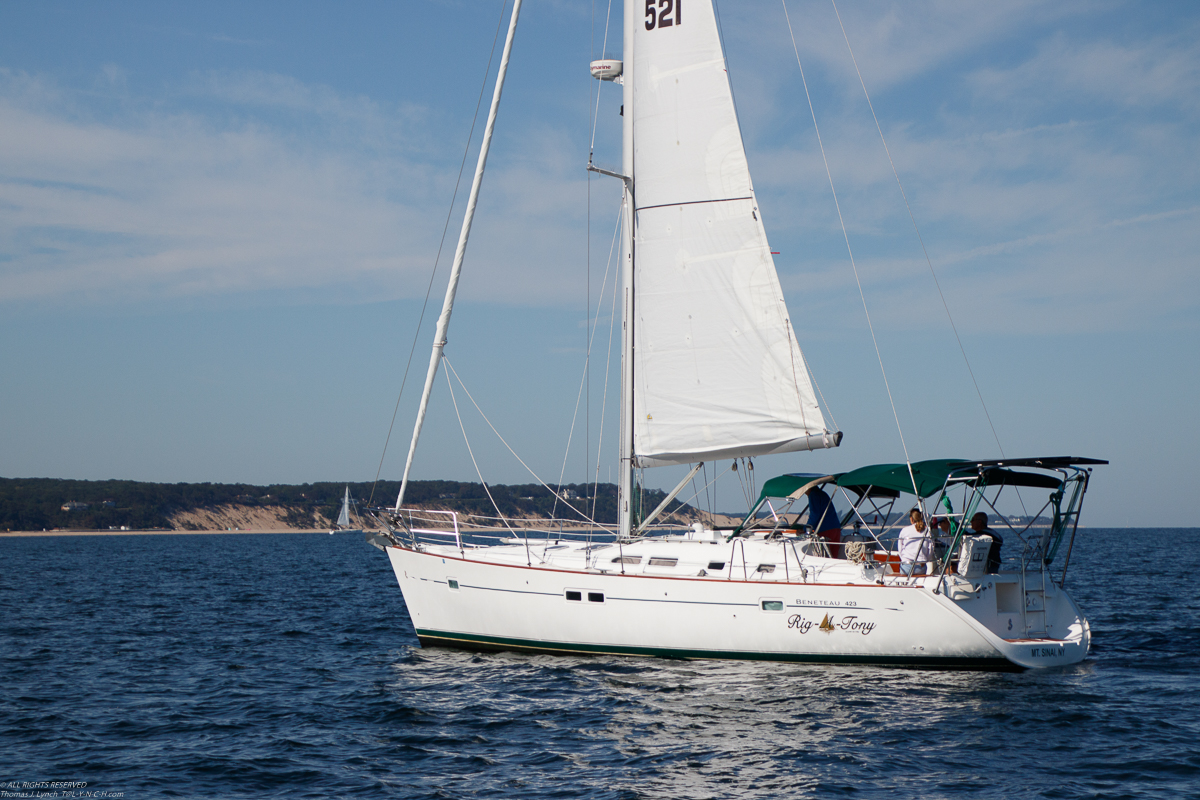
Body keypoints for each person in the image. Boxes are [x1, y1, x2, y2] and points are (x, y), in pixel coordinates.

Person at [805, 486, 843, 558]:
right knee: (833, 558)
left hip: (825, 530)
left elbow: (815, 514)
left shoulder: (813, 495)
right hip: (836, 529)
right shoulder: (822, 494)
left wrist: (805, 528)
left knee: (825, 558)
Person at [897, 508, 935, 575]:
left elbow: (900, 550)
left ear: (911, 518)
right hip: (920, 567)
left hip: (906, 566)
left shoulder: (904, 530)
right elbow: (931, 550)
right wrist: (925, 560)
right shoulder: (928, 532)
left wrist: (903, 559)